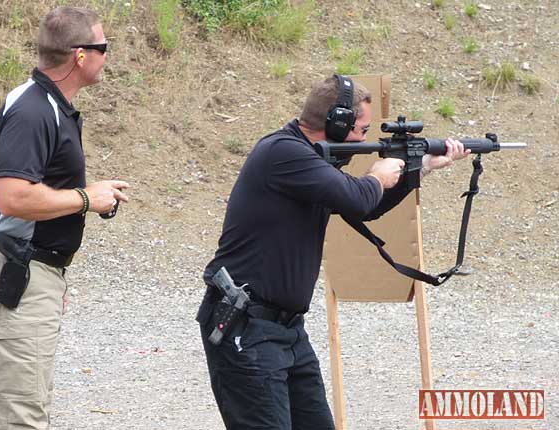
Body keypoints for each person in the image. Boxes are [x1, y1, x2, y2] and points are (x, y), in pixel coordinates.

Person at [196, 74, 469, 429]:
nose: (364, 138)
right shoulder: (283, 153)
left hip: (287, 330)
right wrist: (376, 175)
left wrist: (420, 168)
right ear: (337, 123)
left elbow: (363, 208)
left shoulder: (309, 158)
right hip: (246, 327)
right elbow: (358, 195)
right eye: (360, 129)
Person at [0, 7, 129, 429]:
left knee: (23, 404)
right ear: (80, 55)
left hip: (32, 268)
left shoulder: (46, 105)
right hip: (20, 265)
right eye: (103, 47)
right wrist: (85, 198)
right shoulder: (35, 110)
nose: (106, 56)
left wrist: (51, 273)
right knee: (17, 417)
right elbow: (12, 196)